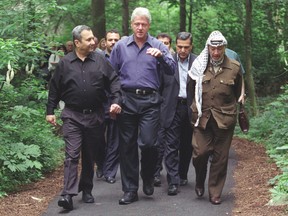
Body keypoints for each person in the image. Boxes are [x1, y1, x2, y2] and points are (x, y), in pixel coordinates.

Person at [46, 25, 121, 211]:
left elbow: (113, 81)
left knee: (89, 155)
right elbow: (54, 88)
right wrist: (50, 111)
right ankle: (67, 194)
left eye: (93, 38)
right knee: (72, 155)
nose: (93, 41)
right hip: (72, 115)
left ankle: (87, 189)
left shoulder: (100, 60)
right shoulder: (64, 63)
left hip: (95, 115)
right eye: (88, 39)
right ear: (77, 43)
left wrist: (116, 100)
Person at [109, 7, 176, 205]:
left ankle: (147, 176)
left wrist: (161, 57)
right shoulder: (121, 46)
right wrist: (114, 101)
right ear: (131, 25)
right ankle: (130, 190)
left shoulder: (157, 45)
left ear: (149, 26)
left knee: (148, 144)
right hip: (126, 100)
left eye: (143, 24)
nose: (140, 28)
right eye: (137, 24)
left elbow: (172, 70)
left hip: (150, 102)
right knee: (127, 146)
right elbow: (111, 75)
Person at [188, 30, 242, 205]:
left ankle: (215, 192)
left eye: (219, 48)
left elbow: (238, 90)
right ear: (208, 48)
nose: (216, 52)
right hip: (202, 118)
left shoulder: (234, 67)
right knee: (200, 153)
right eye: (213, 48)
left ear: (224, 48)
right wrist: (192, 109)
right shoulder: (198, 65)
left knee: (221, 157)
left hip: (224, 119)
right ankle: (199, 177)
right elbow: (190, 90)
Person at [159, 32, 196, 195]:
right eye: (180, 46)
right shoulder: (167, 61)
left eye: (186, 47)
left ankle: (182, 174)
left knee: (187, 145)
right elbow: (159, 85)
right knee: (171, 146)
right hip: (171, 107)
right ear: (175, 45)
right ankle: (172, 181)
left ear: (191, 46)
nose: (182, 50)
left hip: (189, 108)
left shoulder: (198, 62)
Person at [102, 29, 121, 184]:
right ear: (105, 42)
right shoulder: (97, 57)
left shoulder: (123, 56)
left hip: (116, 102)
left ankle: (110, 172)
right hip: (99, 103)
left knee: (114, 139)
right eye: (110, 40)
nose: (113, 42)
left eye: (116, 40)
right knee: (97, 139)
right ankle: (101, 164)